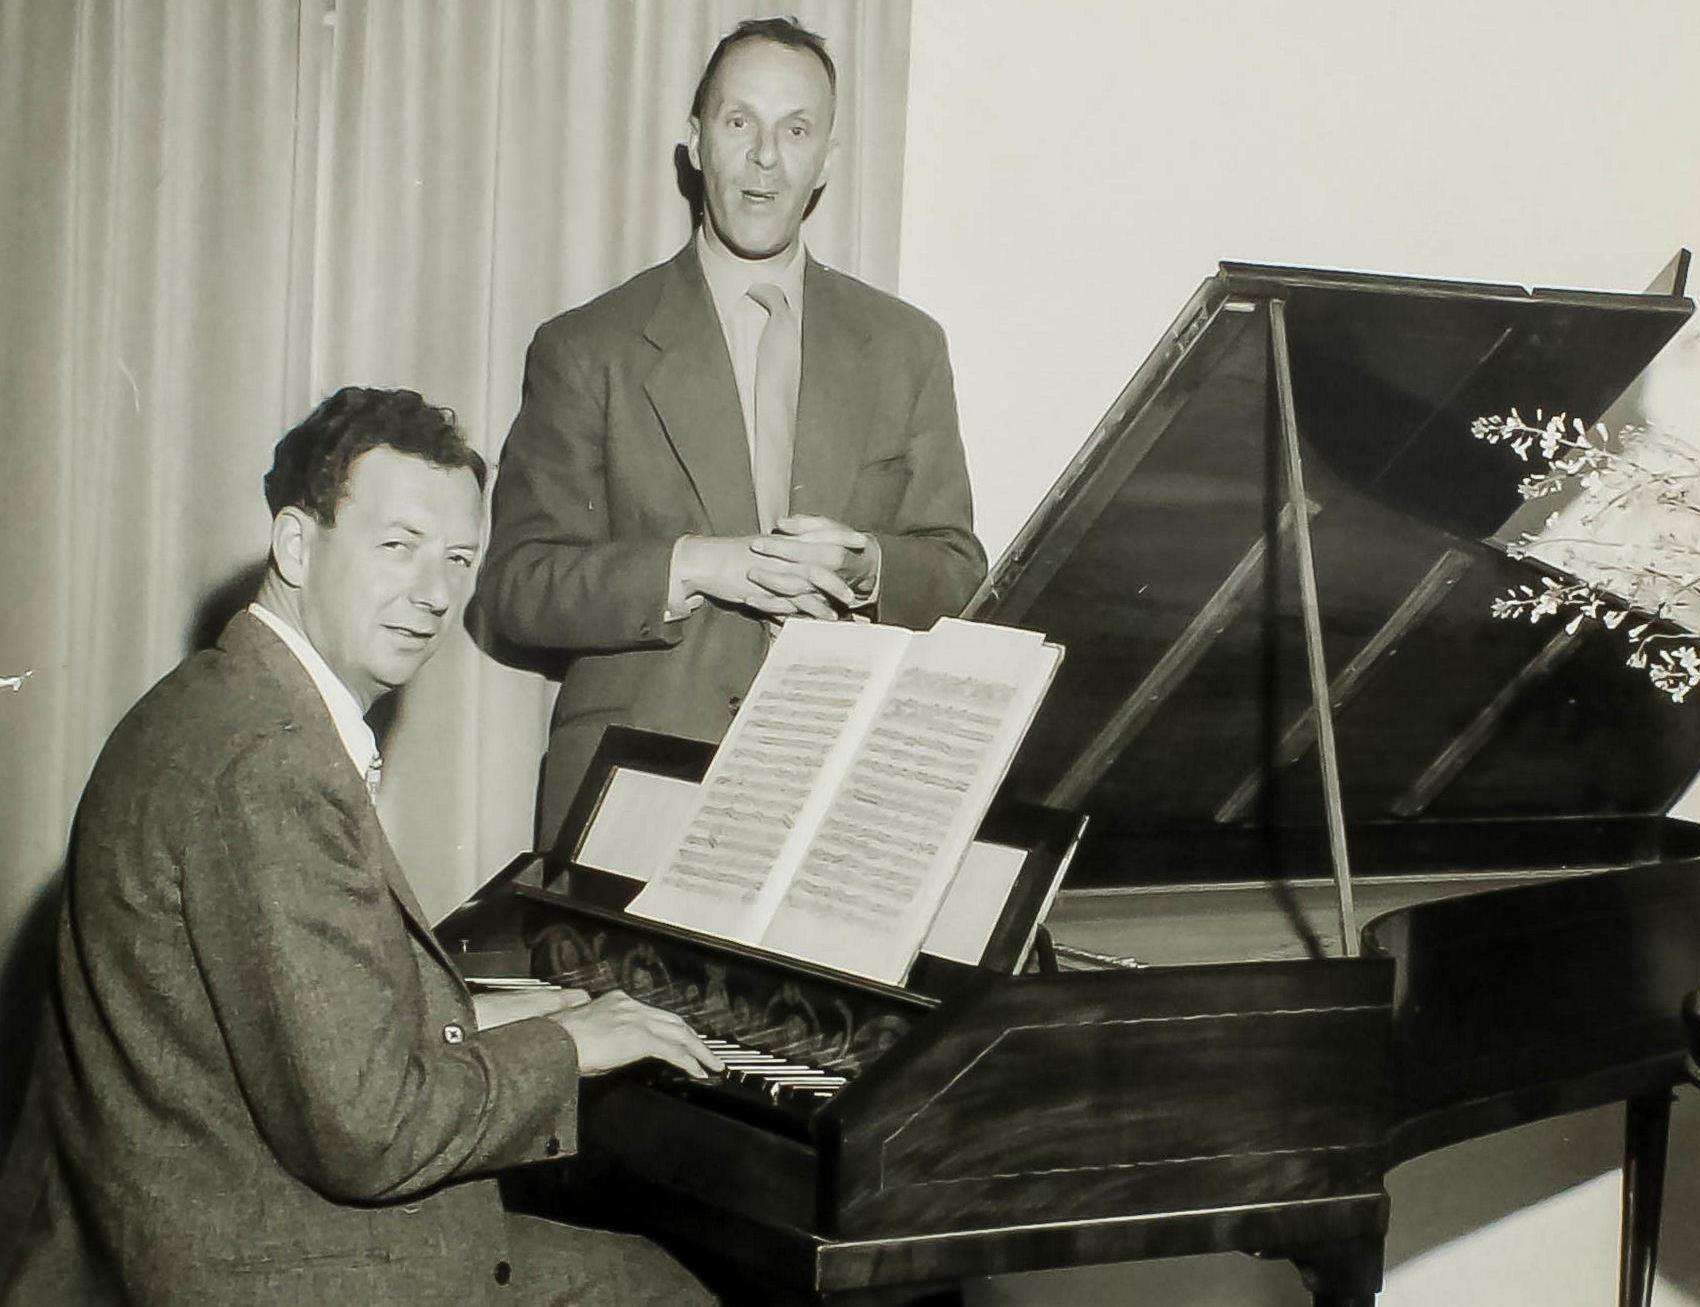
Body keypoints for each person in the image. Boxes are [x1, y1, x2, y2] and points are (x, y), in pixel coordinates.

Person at [1, 388, 721, 1305]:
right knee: (662, 1287)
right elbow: (367, 1130)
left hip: (181, 1220)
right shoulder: (270, 762)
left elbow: (306, 1021)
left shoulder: (220, 699)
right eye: (397, 546)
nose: (433, 593)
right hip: (257, 1264)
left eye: (458, 558)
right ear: (297, 545)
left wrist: (485, 1014)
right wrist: (569, 1041)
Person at [477, 17, 987, 842]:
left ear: (826, 159)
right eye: (738, 121)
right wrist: (698, 565)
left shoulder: (906, 346)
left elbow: (960, 572)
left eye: (796, 130)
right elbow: (516, 588)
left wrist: (866, 569)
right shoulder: (585, 346)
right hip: (631, 803)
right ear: (694, 142)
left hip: (842, 798)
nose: (764, 158)